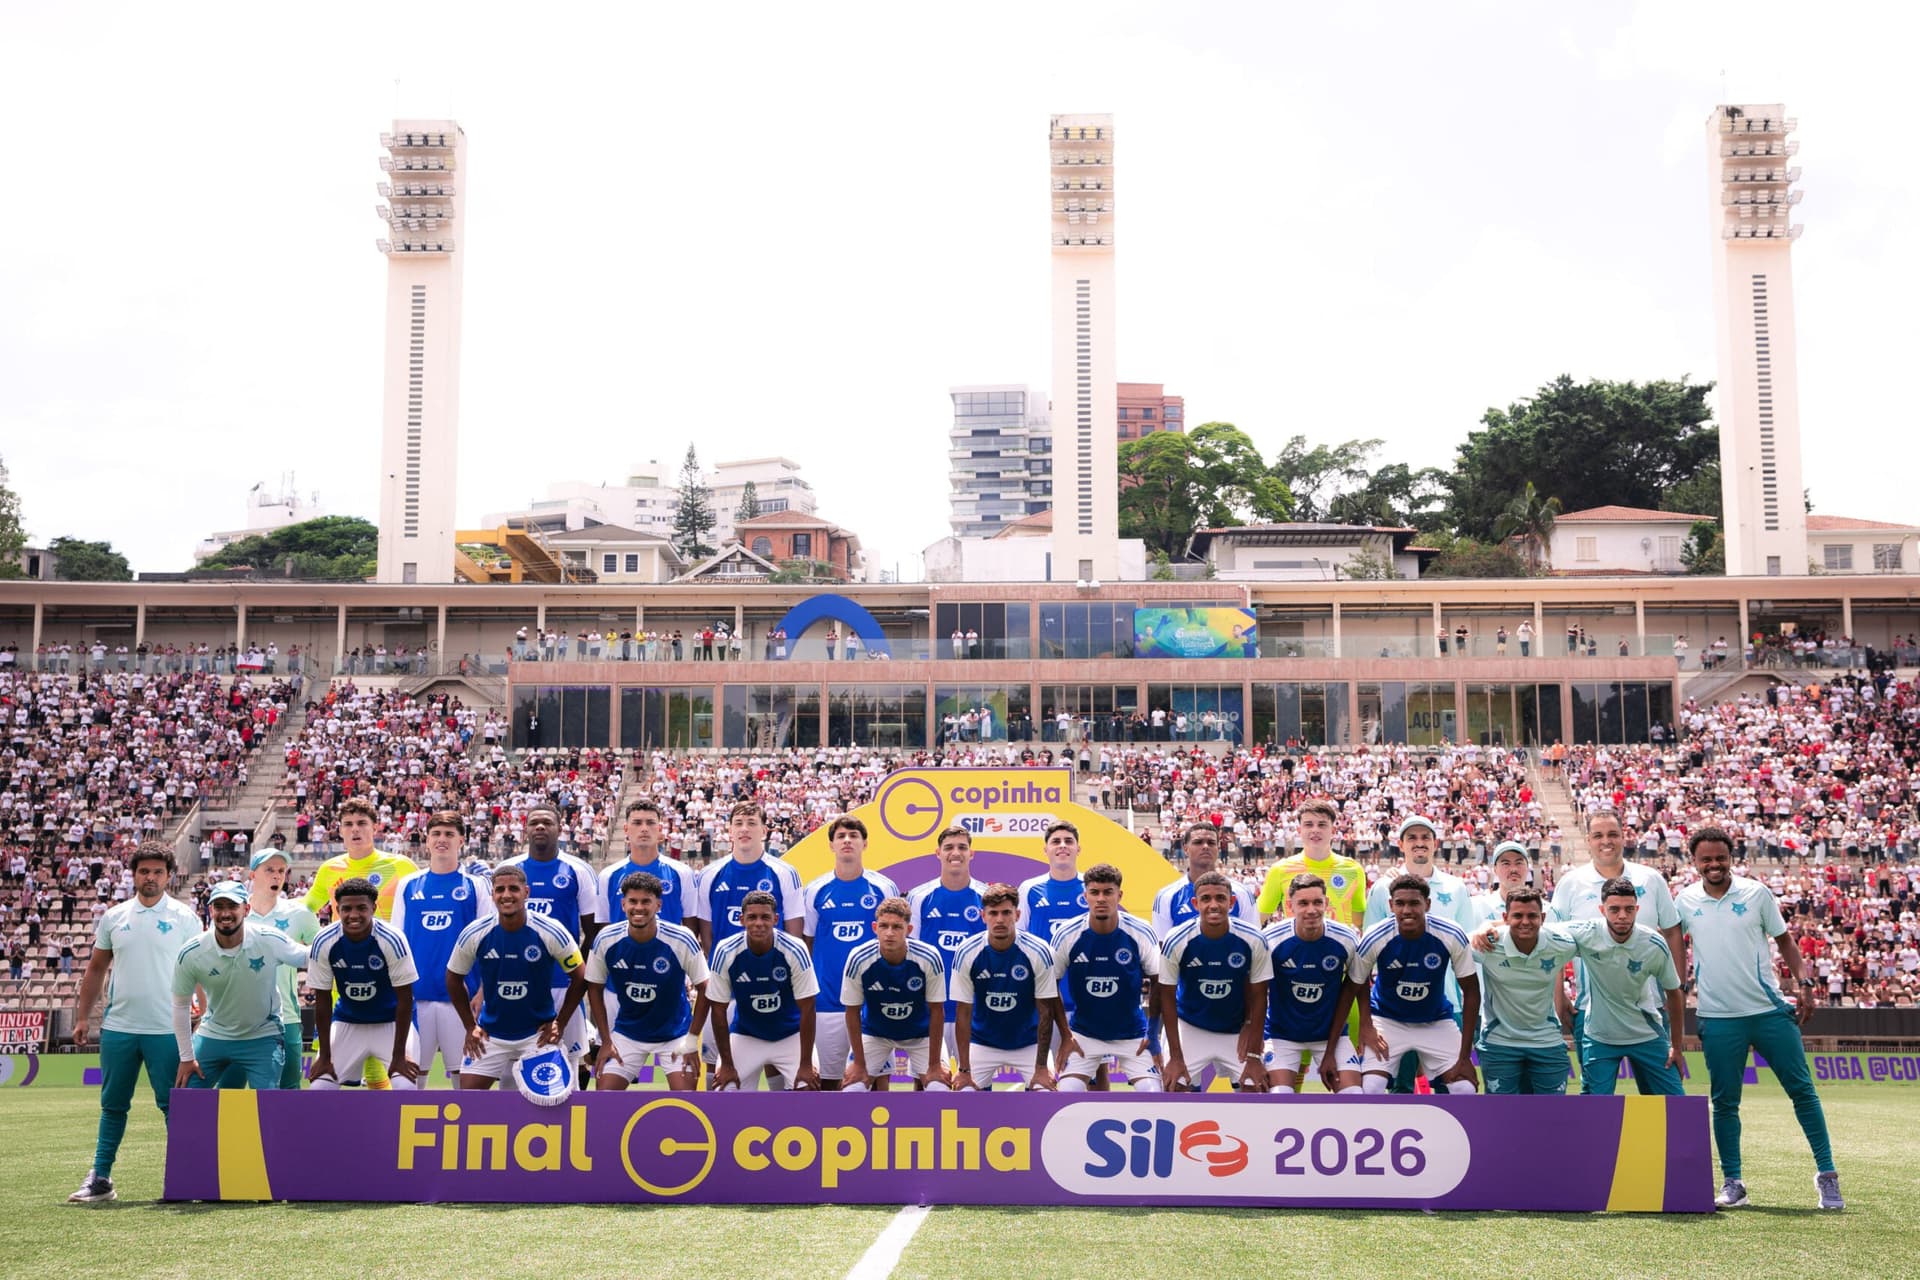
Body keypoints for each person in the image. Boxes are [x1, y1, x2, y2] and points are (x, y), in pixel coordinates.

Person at [1677, 827, 1842, 1211]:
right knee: (1724, 1103)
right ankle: (1733, 1181)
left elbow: (1785, 940)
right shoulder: (1684, 901)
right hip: (1718, 1017)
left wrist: (1803, 982)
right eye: (1706, 859)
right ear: (1695, 862)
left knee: (1803, 1092)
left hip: (1768, 1011)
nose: (1714, 864)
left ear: (1731, 858)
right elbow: (1674, 950)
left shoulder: (1756, 893)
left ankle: (1828, 1175)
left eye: (1721, 857)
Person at [69, 842, 200, 1205]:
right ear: (134, 875)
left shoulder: (185, 917)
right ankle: (101, 1178)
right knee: (113, 1105)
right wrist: (82, 1017)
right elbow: (96, 968)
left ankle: (186, 1177)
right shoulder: (114, 916)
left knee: (173, 1105)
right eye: (144, 871)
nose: (151, 877)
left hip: (167, 1029)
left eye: (158, 871)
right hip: (119, 1027)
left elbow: (201, 967)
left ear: (169, 876)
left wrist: (205, 1008)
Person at [444, 864, 587, 1089]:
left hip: (537, 1035)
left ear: (526, 892)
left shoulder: (551, 930)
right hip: (491, 1035)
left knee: (554, 1100)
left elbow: (581, 977)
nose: (506, 895)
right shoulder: (475, 932)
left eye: (513, 888)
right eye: (500, 890)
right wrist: (470, 1026)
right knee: (468, 1099)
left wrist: (560, 1022)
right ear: (492, 894)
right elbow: (453, 978)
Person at [1334, 874, 1480, 1095]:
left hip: (1435, 1021)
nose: (1407, 910)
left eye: (1414, 903)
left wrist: (1464, 1056)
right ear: (1391, 905)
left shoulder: (1450, 934)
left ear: (1427, 904)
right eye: (1400, 903)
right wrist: (1366, 1025)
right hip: (1387, 1020)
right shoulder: (1376, 936)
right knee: (1370, 1088)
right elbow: (1353, 985)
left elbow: (1471, 991)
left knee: (1465, 1088)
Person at [1551, 811, 1682, 1046]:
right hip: (1590, 1007)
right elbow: (1555, 942)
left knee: (1661, 1081)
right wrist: (1559, 996)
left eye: (1613, 834)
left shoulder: (1650, 879)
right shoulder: (1570, 884)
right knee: (1594, 1083)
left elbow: (1672, 931)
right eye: (1598, 835)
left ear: (1624, 837)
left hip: (1650, 1006)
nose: (1606, 841)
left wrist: (1677, 988)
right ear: (1588, 840)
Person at [171, 882, 311, 1091]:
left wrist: (340, 934)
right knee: (186, 1097)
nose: (225, 913)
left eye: (232, 906)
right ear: (211, 910)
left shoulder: (268, 939)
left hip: (262, 1036)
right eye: (219, 906)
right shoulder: (192, 952)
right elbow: (180, 1006)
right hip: (214, 1034)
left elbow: (307, 957)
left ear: (246, 909)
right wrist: (186, 1058)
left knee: (267, 1104)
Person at [390, 812, 493, 1084]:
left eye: (449, 834)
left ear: (462, 840)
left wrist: (483, 992)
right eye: (436, 834)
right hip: (415, 998)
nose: (442, 840)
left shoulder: (476, 886)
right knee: (411, 1077)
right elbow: (397, 944)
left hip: (461, 1000)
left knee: (466, 1079)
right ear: (426, 840)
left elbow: (489, 943)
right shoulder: (408, 885)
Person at [584, 872, 708, 1091]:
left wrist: (691, 1040)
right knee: (604, 1097)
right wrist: (606, 1040)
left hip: (675, 1035)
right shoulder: (606, 939)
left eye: (646, 902)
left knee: (686, 1100)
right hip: (627, 1034)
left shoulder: (682, 938)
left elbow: (705, 988)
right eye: (633, 901)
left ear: (658, 905)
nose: (638, 907)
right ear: (623, 904)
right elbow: (594, 988)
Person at [802, 816, 899, 1088]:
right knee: (830, 1084)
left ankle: (882, 1132)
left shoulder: (884, 888)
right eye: (841, 836)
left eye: (854, 835)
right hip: (827, 1002)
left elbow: (895, 943)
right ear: (831, 845)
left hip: (874, 1003)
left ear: (864, 844)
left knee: (878, 1082)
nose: (847, 840)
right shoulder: (815, 890)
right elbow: (807, 943)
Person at [497, 803, 598, 1064]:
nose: (540, 827)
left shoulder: (578, 870)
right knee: (512, 1066)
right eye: (534, 823)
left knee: (567, 1062)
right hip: (516, 983)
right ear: (526, 830)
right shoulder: (508, 869)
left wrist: (577, 973)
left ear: (559, 829)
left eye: (547, 822)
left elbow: (593, 931)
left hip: (562, 985)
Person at [1050, 863, 1163, 1092]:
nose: (1101, 899)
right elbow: (1048, 986)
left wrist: (1152, 1033)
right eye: (1094, 892)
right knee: (1066, 1092)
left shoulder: (1140, 931)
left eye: (1108, 892)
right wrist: (1065, 1034)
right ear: (1085, 896)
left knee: (1152, 1093)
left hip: (1132, 1034)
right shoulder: (1067, 933)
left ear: (1119, 895)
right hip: (1083, 1034)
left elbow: (1160, 981)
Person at [1463, 887, 1584, 1095]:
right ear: (1505, 917)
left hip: (1547, 1041)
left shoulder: (1561, 943)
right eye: (1518, 916)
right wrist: (1485, 927)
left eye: (1532, 916)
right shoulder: (1485, 944)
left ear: (1543, 917)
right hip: (1500, 1042)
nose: (1526, 922)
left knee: (1553, 1117)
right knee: (1501, 1118)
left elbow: (1599, 937)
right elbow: (1449, 942)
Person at [1158, 873, 1271, 1091]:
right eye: (1206, 899)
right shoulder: (1177, 939)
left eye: (1220, 898)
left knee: (1256, 1087)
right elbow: (1167, 998)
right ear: (1195, 903)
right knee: (1174, 1086)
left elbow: (1259, 996)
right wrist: (1175, 1056)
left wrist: (1254, 1053)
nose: (1213, 905)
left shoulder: (1254, 939)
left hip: (1236, 1028)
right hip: (1190, 1024)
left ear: (1232, 902)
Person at [306, 877, 421, 1090]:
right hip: (348, 1022)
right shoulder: (324, 941)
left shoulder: (392, 939)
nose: (353, 915)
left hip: (391, 1023)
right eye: (346, 909)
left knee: (405, 1087)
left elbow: (405, 999)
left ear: (374, 908)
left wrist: (398, 1057)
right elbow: (322, 1001)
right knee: (319, 1089)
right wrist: (324, 1057)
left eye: (361, 908)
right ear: (337, 909)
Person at [700, 892, 820, 1091]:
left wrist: (806, 1063)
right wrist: (728, 1065)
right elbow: (719, 1010)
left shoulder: (795, 949)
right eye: (752, 917)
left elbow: (808, 1007)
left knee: (807, 1086)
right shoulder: (726, 950)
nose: (758, 923)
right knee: (725, 1088)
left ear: (775, 919)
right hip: (747, 1034)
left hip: (790, 1035)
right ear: (741, 920)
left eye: (765, 917)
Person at [1259, 873, 1363, 1094]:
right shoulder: (1270, 940)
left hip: (1330, 1035)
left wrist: (1362, 1030)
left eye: (1317, 902)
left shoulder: (1346, 939)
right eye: (1303, 903)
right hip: (1281, 1035)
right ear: (1290, 905)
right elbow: (1255, 993)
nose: (1311, 910)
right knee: (1280, 1095)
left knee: (1353, 1095)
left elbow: (1356, 986)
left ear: (1326, 903)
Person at [950, 883, 1060, 1091]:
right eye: (993, 913)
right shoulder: (966, 952)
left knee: (1045, 1092)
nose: (999, 919)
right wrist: (964, 1070)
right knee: (964, 1094)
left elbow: (1046, 1012)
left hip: (1029, 1044)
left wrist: (1041, 1067)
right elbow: (963, 1013)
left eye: (1006, 913)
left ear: (1017, 915)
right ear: (983, 916)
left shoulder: (1039, 951)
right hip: (982, 1042)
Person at [839, 897, 949, 1091]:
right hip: (875, 1033)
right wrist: (859, 1064)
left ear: (909, 929)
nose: (889, 933)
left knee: (938, 1089)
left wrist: (934, 1066)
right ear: (874, 927)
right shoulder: (858, 957)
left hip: (921, 1034)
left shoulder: (929, 957)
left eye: (897, 927)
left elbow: (937, 1010)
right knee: (852, 1089)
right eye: (884, 926)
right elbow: (852, 1011)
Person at [908, 825, 989, 1058]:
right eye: (949, 847)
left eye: (962, 847)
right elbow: (911, 954)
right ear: (938, 853)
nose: (956, 852)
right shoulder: (919, 897)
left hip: (974, 1010)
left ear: (971, 854)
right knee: (925, 1082)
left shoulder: (985, 897)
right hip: (931, 1008)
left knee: (974, 1083)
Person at [245, 847, 320, 1090]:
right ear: (252, 875)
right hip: (239, 1017)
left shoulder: (299, 914)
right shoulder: (235, 913)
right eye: (269, 870)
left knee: (289, 1088)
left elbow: (322, 954)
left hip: (285, 1016)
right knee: (230, 1088)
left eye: (281, 871)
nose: (277, 876)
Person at [692, 803, 806, 956]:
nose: (744, 828)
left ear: (764, 831)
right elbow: (706, 934)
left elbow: (794, 935)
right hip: (724, 972)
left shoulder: (786, 873)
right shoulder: (708, 875)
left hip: (773, 972)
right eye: (738, 823)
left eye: (751, 823)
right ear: (730, 831)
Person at [303, 796, 418, 923]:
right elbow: (306, 907)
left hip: (388, 942)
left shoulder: (402, 866)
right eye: (348, 824)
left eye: (361, 823)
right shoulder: (329, 868)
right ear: (340, 831)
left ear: (375, 828)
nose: (355, 829)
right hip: (343, 943)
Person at [1257, 800, 1366, 928]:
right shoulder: (1280, 870)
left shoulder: (1353, 869)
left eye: (1322, 824)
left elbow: (1361, 922)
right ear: (1299, 830)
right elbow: (1257, 918)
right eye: (1308, 824)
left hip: (1340, 947)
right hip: (1297, 947)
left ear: (1334, 830)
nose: (1315, 830)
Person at [599, 800, 697, 928]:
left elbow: (691, 927)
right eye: (637, 823)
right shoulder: (607, 876)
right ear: (626, 829)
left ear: (660, 829)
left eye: (650, 823)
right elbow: (603, 928)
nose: (644, 829)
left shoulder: (682, 873)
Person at [1153, 823, 1257, 936]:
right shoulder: (1166, 896)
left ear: (1218, 849)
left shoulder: (1242, 893)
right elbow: (1162, 946)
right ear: (1186, 849)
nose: (1205, 846)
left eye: (1211, 843)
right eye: (1198, 842)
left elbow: (1254, 942)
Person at [1019, 821, 1090, 944]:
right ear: (1045, 850)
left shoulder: (1092, 887)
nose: (1062, 845)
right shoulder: (1028, 888)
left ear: (1078, 849)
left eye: (1068, 841)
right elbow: (1018, 934)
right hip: (1043, 963)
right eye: (1056, 841)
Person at [1472, 841, 1535, 926]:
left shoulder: (1545, 909)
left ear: (1527, 868)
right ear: (1495, 870)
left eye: (1519, 863)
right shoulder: (1477, 908)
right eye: (1506, 864)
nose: (1513, 869)